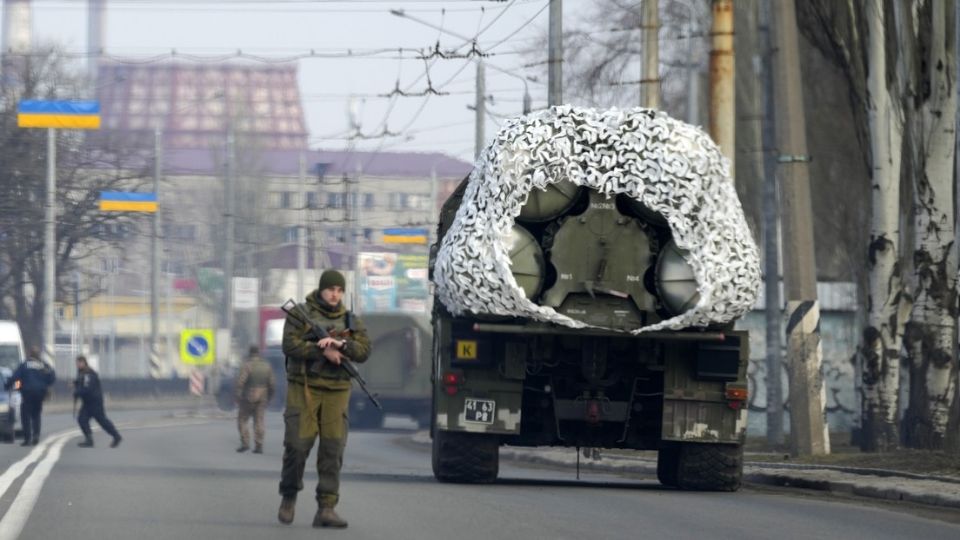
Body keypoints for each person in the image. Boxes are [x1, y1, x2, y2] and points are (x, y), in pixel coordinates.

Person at [277, 269, 371, 529]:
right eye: (331, 289)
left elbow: (364, 350)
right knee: (297, 445)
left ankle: (326, 508)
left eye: (339, 290)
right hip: (304, 386)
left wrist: (341, 346)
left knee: (333, 449)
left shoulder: (350, 320)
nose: (335, 294)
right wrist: (321, 352)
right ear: (321, 289)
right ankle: (289, 495)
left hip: (337, 390)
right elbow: (289, 345)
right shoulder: (300, 313)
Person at [3, 346, 55, 446]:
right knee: (36, 414)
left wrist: (8, 386)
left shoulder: (24, 365)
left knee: (25, 415)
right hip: (40, 393)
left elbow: (16, 377)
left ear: (29, 354)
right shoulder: (43, 365)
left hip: (27, 393)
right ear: (38, 355)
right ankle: (36, 436)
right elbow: (52, 376)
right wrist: (45, 385)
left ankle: (27, 439)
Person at [73, 355, 122, 448]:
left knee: (102, 421)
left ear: (84, 363)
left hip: (94, 402)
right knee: (82, 419)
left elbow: (87, 388)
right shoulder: (82, 373)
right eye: (77, 363)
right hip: (88, 402)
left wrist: (77, 392)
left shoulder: (88, 373)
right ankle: (89, 440)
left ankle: (116, 436)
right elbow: (81, 382)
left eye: (79, 363)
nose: (77, 365)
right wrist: (75, 383)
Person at [235, 345, 276, 454]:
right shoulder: (267, 366)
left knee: (242, 420)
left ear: (250, 353)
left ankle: (245, 443)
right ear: (259, 353)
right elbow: (272, 384)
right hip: (263, 397)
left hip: (248, 397)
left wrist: (238, 396)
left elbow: (240, 382)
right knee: (259, 421)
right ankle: (259, 445)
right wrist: (270, 397)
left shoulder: (247, 365)